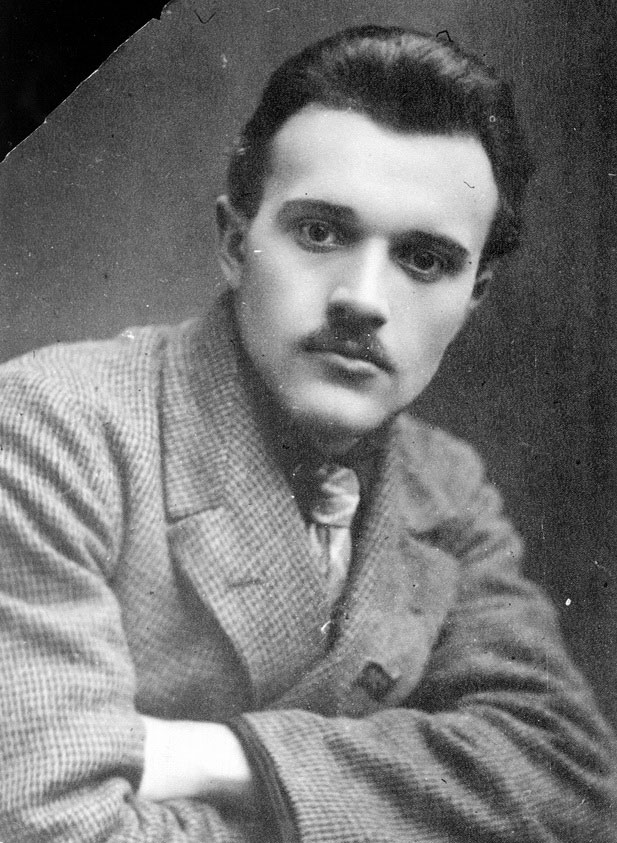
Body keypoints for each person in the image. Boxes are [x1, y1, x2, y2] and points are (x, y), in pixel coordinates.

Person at [0, 23, 615, 843]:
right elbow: (47, 826)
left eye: (424, 260)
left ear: (474, 294)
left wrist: (224, 758)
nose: (362, 297)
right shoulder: (50, 430)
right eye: (320, 232)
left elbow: (568, 777)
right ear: (235, 243)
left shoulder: (446, 486)